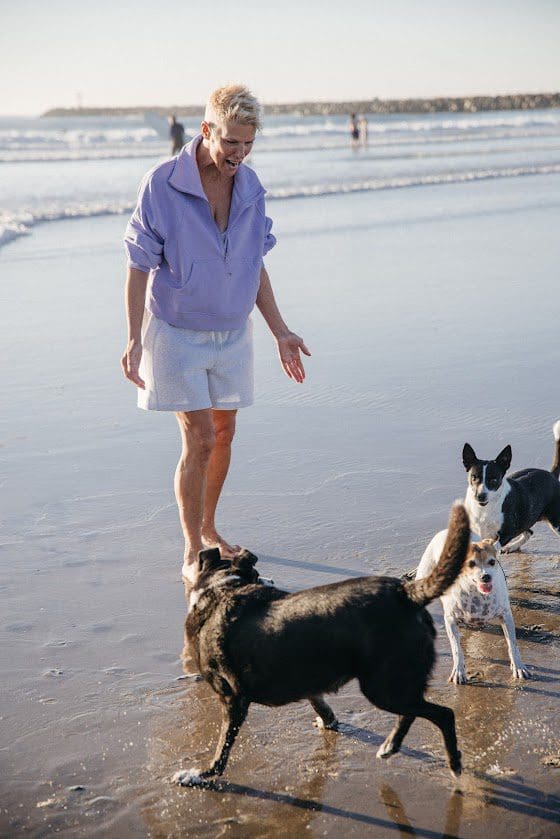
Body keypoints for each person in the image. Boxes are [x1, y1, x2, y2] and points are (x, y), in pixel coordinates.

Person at [122, 85, 310, 583]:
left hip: (232, 333)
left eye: (248, 145)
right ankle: (190, 551)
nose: (239, 155)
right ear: (206, 130)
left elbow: (254, 264)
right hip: (177, 334)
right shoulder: (162, 184)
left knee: (224, 433)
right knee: (199, 437)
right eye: (230, 142)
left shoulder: (250, 186)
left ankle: (209, 528)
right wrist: (134, 337)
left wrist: (281, 331)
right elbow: (138, 265)